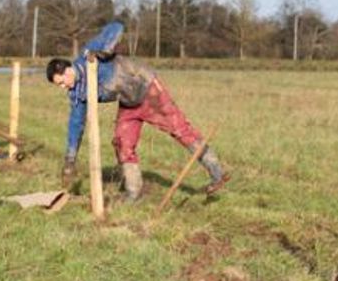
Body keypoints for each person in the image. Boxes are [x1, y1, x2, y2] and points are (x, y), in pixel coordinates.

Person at [46, 21, 230, 200]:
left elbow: (116, 26)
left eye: (61, 82)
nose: (63, 87)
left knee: (180, 130)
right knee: (122, 143)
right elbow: (76, 123)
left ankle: (216, 172)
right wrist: (70, 158)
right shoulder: (77, 93)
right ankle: (134, 191)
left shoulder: (89, 53)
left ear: (68, 70)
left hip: (148, 90)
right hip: (128, 103)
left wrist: (106, 48)